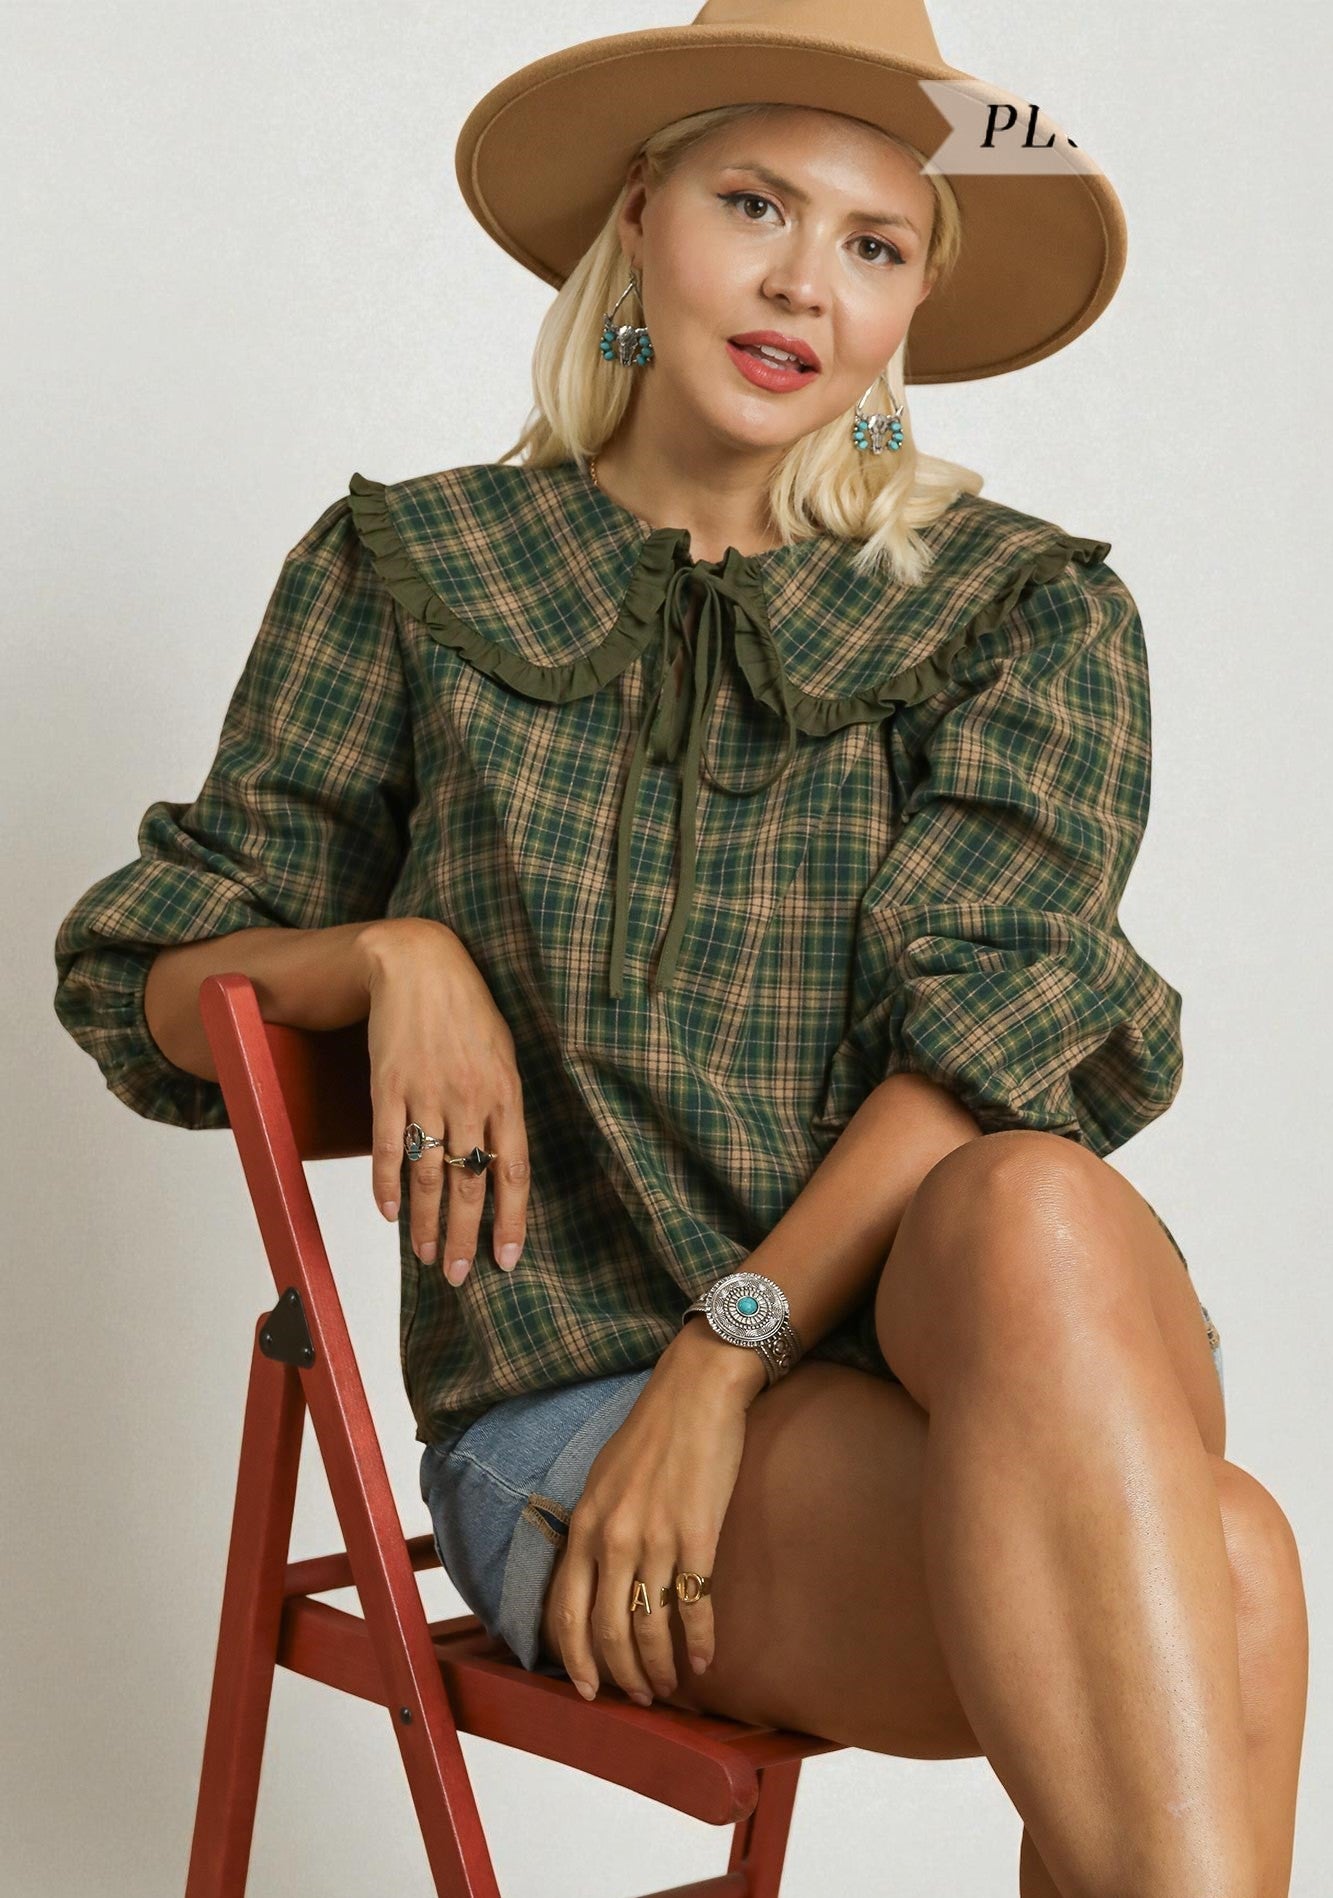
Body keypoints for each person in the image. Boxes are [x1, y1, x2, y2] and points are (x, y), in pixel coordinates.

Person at [52, 2, 1306, 1891]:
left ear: (910, 311)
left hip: (971, 1353)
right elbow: (144, 977)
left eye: (875, 246)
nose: (806, 282)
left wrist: (731, 1354)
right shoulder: (409, 570)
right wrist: (390, 952)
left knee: (1033, 1195)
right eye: (754, 204)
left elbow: (1004, 1045)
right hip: (579, 1409)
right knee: (1222, 1566)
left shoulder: (1021, 614)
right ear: (639, 218)